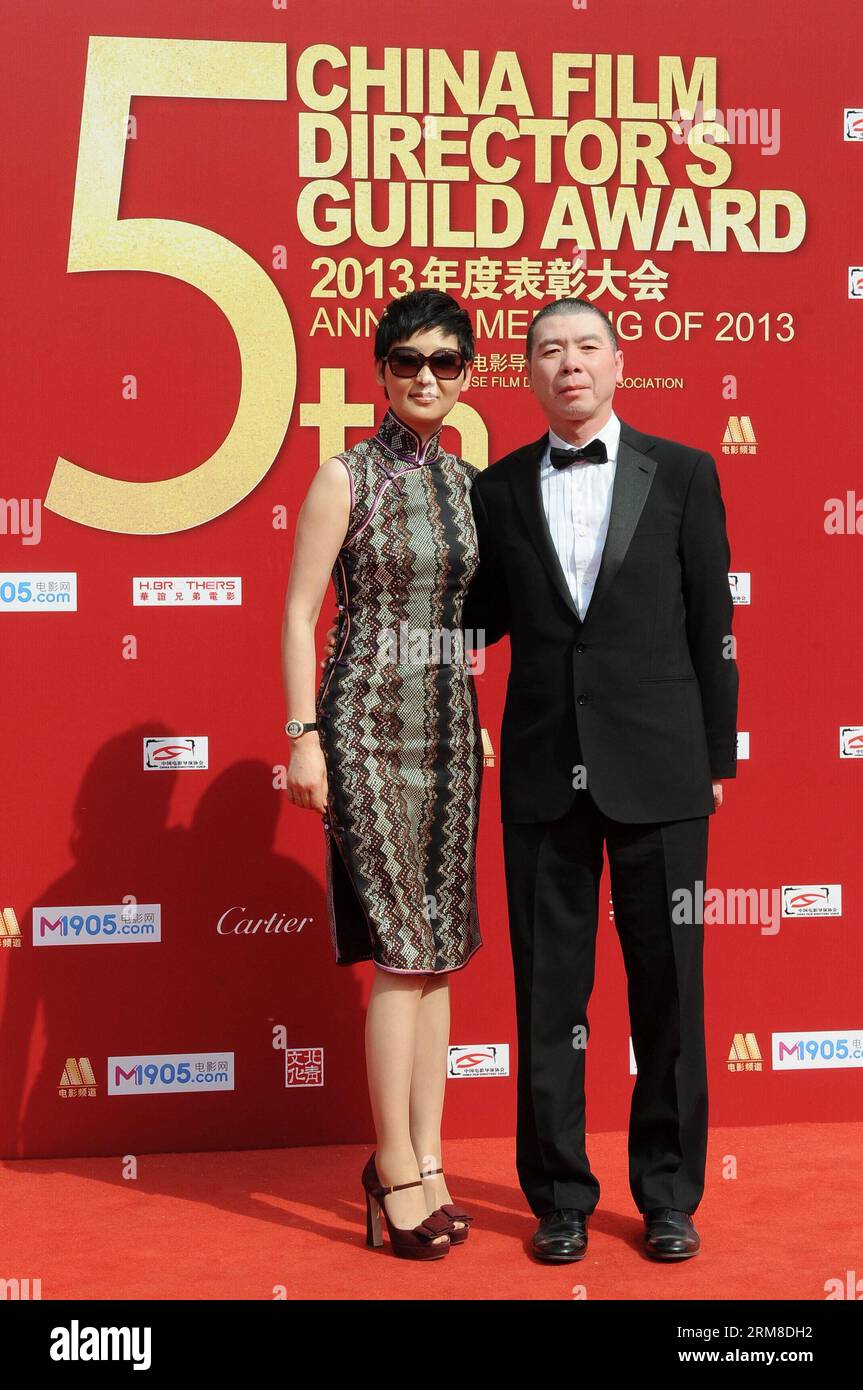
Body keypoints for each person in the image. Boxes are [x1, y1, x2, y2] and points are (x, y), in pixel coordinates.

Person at [459, 296, 739, 1263]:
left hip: (662, 770)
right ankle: (559, 1198)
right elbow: (475, 621)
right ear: (527, 375)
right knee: (548, 997)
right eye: (548, 351)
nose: (567, 364)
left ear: (618, 365)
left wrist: (715, 757)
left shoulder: (686, 475)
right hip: (542, 770)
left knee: (670, 990)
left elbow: (713, 626)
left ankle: (667, 1195)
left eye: (585, 348)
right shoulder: (492, 491)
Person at [280, 289, 485, 1260]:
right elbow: (297, 614)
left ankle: (431, 1161)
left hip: (447, 726)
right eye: (407, 360)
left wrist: (469, 708)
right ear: (380, 371)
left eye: (444, 362)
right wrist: (302, 734)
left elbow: (460, 617)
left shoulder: (465, 484)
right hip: (363, 723)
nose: (425, 377)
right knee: (400, 952)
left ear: (466, 374)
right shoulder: (343, 475)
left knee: (436, 954)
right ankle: (390, 1166)